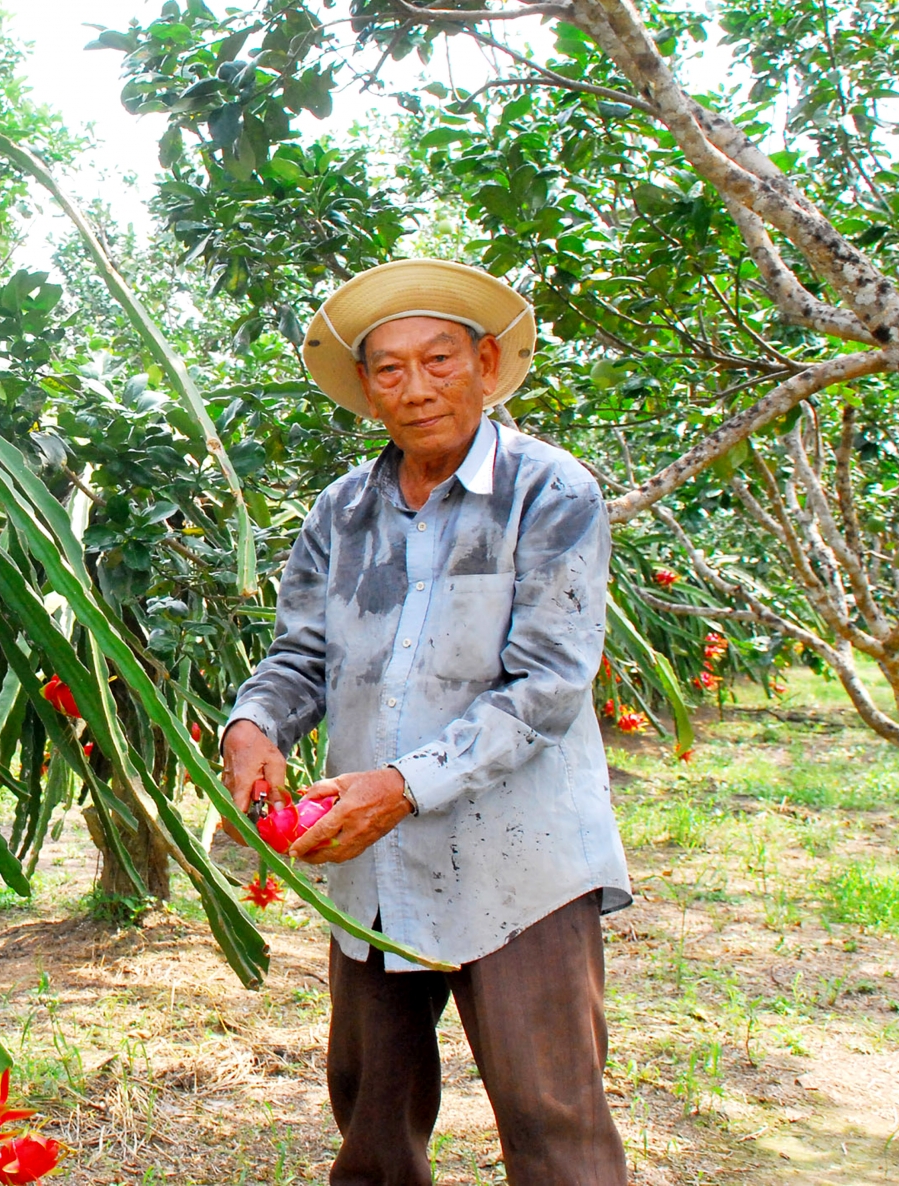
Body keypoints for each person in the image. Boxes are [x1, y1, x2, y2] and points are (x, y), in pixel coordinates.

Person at [222, 259, 631, 1185]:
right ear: (366, 388)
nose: (416, 389)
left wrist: (404, 786)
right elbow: (300, 658)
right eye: (390, 369)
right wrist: (254, 726)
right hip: (373, 871)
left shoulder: (549, 493)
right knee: (371, 1116)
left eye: (439, 360)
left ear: (486, 364)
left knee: (552, 1117)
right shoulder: (343, 512)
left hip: (520, 867)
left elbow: (549, 685)